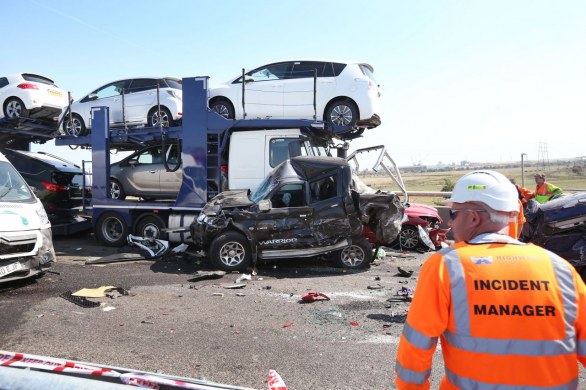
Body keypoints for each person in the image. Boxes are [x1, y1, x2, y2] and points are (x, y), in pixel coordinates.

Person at [395, 170, 586, 389]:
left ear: (474, 217)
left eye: (453, 215)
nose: (451, 225)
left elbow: (416, 347)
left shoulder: (447, 266)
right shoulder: (560, 268)